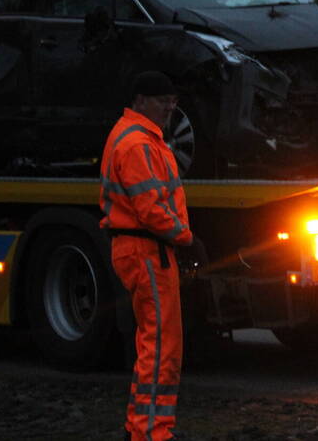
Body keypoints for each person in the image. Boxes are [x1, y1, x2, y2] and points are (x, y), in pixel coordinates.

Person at [99, 70, 194, 441]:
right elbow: (150, 208)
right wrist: (186, 238)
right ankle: (150, 432)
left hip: (146, 248)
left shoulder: (141, 138)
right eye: (162, 100)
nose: (170, 107)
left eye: (173, 101)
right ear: (140, 101)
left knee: (156, 343)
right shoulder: (137, 144)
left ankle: (144, 428)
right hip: (145, 250)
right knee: (160, 346)